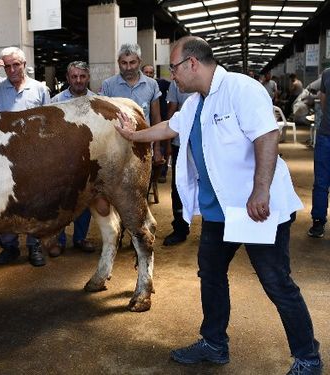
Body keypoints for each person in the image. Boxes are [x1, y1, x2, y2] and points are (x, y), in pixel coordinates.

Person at [114, 36, 323, 375]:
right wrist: (132, 136)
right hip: (219, 212)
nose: (173, 76)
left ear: (192, 64)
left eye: (175, 68)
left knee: (275, 281)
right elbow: (170, 126)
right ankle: (214, 343)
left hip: (255, 208)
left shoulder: (241, 89)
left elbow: (267, 135)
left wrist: (260, 190)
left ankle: (308, 358)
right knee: (210, 273)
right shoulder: (196, 101)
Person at [0, 46, 49, 267]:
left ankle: (34, 245)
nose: (13, 70)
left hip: (34, 155)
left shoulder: (39, 89)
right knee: (6, 201)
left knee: (34, 201)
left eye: (16, 64)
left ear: (25, 64)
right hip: (5, 156)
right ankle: (10, 246)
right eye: (7, 66)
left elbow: (50, 121)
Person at [49, 61, 97, 257]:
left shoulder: (97, 102)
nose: (78, 80)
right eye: (74, 76)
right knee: (61, 201)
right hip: (61, 161)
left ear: (88, 78)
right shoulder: (55, 102)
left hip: (88, 160)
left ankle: (80, 238)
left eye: (82, 76)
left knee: (84, 200)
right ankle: (58, 240)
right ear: (67, 78)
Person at [101, 43, 166, 169]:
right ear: (118, 62)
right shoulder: (108, 85)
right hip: (116, 146)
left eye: (133, 62)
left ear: (139, 62)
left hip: (144, 145)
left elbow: (156, 117)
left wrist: (157, 148)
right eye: (124, 63)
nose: (128, 67)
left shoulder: (152, 85)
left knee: (142, 185)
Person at [163, 80, 193, 246]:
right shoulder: (177, 82)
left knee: (210, 184)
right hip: (180, 143)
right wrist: (168, 143)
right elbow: (172, 112)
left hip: (208, 145)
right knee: (179, 185)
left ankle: (217, 229)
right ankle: (180, 228)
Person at [308, 68, 330, 238]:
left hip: (326, 134)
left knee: (321, 182)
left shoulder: (327, 74)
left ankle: (318, 223)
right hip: (325, 136)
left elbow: (322, 100)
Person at [142, 63, 171, 182]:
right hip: (145, 124)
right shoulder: (140, 86)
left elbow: (174, 86)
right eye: (146, 72)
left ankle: (162, 173)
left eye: (151, 73)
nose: (148, 74)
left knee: (161, 147)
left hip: (161, 120)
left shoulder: (161, 84)